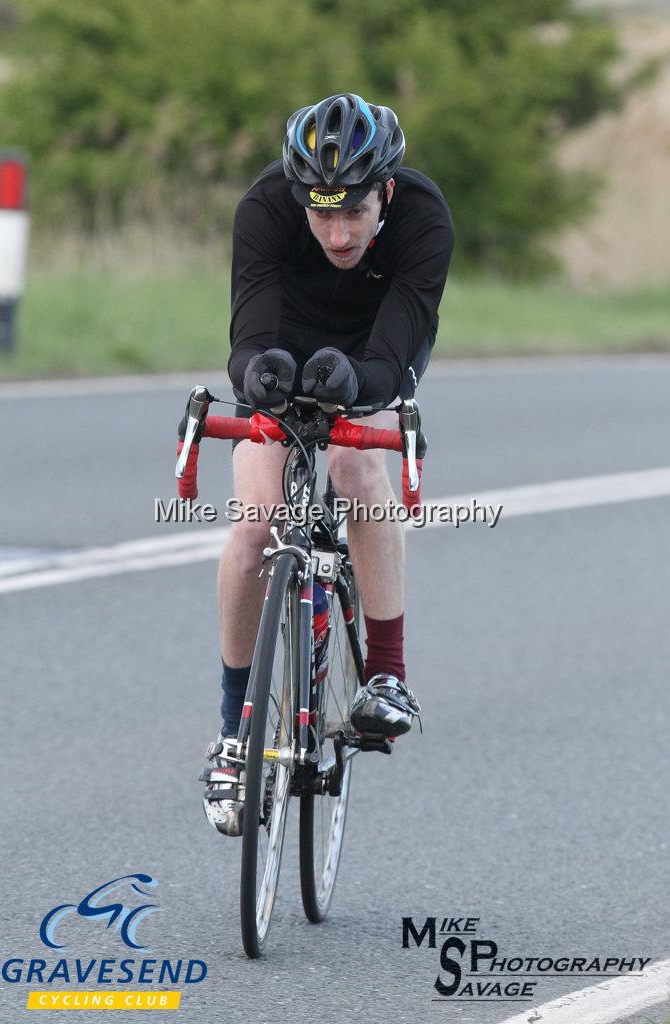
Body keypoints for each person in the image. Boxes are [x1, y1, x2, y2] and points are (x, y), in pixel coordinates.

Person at [201, 92, 455, 835]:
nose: (337, 232)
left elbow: (394, 353)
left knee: (352, 468)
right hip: (286, 348)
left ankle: (386, 674)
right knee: (254, 528)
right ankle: (230, 734)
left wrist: (360, 386)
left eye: (353, 211)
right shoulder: (264, 209)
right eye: (321, 213)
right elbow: (246, 337)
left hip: (376, 348)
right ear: (297, 197)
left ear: (385, 192)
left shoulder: (422, 219)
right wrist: (258, 377)